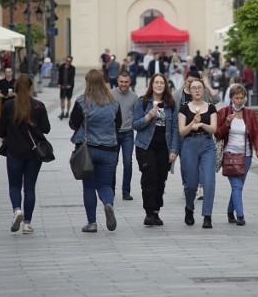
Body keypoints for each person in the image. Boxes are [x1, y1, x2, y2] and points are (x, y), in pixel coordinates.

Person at [69, 69, 122, 233]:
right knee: (105, 184)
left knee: (89, 187)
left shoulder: (81, 101)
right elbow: (118, 125)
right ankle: (108, 204)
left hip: (88, 150)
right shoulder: (114, 102)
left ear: (88, 83)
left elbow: (73, 124)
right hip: (109, 150)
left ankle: (92, 223)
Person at [0, 75, 51, 234]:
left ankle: (17, 210)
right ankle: (27, 223)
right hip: (34, 153)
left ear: (15, 88)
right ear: (31, 88)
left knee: (14, 185)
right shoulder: (38, 106)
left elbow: (1, 132)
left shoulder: (8, 106)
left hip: (14, 151)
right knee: (29, 188)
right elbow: (46, 129)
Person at [132, 73, 180, 226]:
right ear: (151, 85)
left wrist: (174, 150)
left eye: (162, 83)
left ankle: (156, 211)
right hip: (145, 145)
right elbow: (135, 125)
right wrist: (148, 117)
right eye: (156, 83)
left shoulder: (171, 105)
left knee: (161, 179)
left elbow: (175, 129)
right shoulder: (143, 102)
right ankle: (148, 212)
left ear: (165, 86)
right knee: (149, 177)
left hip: (163, 146)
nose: (159, 85)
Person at [215, 84, 258, 226]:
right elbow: (217, 133)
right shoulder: (223, 112)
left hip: (246, 155)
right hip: (229, 155)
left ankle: (230, 211)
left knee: (239, 186)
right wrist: (227, 123)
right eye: (237, 98)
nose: (240, 101)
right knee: (236, 186)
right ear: (231, 98)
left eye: (242, 98)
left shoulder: (250, 114)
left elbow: (256, 132)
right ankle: (240, 216)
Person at [178, 78, 218, 229]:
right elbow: (182, 131)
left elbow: (214, 129)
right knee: (191, 184)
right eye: (193, 88)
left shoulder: (211, 108)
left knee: (208, 181)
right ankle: (189, 208)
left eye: (199, 88)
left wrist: (201, 124)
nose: (196, 90)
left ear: (204, 90)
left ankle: (207, 215)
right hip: (190, 144)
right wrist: (192, 123)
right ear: (189, 89)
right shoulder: (184, 108)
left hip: (207, 144)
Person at [110, 71, 139, 201]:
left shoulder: (134, 97)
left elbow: (137, 114)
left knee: (128, 163)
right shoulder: (110, 94)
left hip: (128, 133)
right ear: (117, 81)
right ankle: (110, 190)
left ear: (130, 82)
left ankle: (126, 191)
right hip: (113, 133)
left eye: (126, 82)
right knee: (112, 162)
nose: (123, 84)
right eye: (121, 81)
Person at [58, 55, 76, 119]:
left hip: (69, 86)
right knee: (62, 98)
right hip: (62, 85)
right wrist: (59, 83)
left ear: (71, 61)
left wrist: (70, 85)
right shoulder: (61, 67)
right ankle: (62, 111)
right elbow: (59, 76)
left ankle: (67, 112)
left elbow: (72, 78)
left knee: (68, 99)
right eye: (67, 61)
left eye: (69, 61)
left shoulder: (73, 68)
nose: (68, 62)